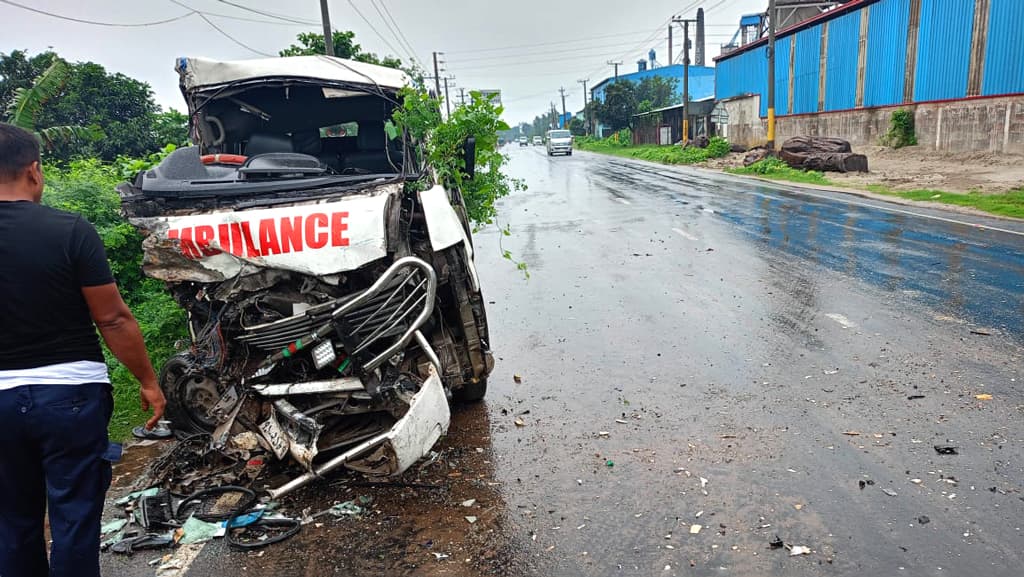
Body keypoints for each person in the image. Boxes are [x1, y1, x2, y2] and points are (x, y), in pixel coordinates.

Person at [0, 123, 166, 577]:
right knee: (73, 520)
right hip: (70, 396)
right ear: (33, 171)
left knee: (11, 523)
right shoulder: (69, 230)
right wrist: (148, 383)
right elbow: (111, 317)